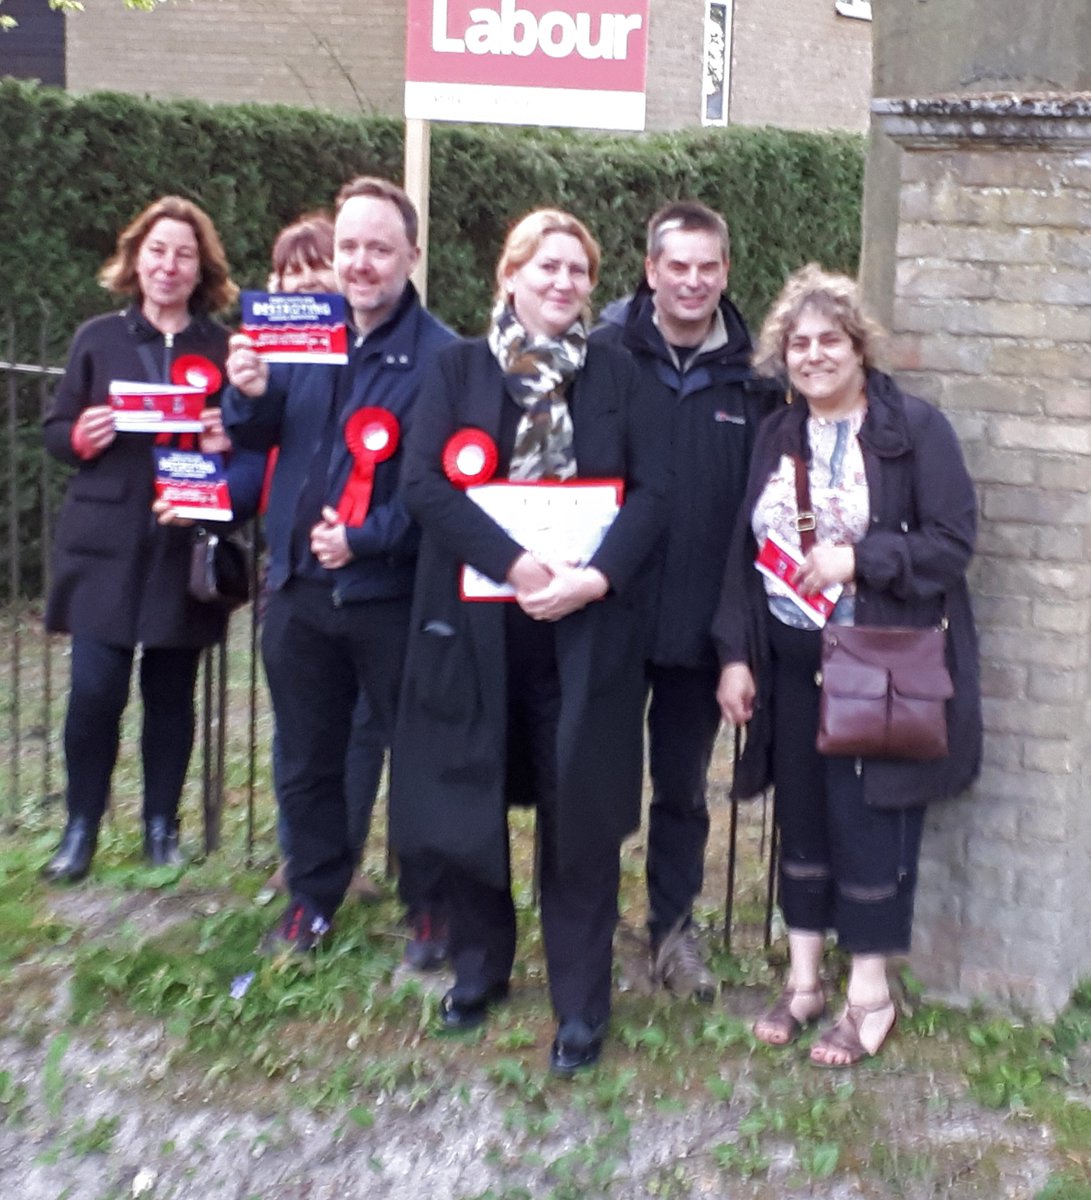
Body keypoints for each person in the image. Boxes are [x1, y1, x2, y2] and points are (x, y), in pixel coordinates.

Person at [391, 209, 668, 1074]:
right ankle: (480, 970)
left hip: (583, 635)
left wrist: (596, 578)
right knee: (467, 803)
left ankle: (580, 1006)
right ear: (510, 274)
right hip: (476, 631)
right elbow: (422, 485)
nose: (563, 283)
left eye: (579, 270)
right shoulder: (456, 370)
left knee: (577, 821)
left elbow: (655, 495)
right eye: (547, 266)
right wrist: (513, 564)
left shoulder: (619, 376)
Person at [714, 264, 981, 1066]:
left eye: (830, 340)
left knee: (868, 823)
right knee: (801, 815)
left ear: (858, 347)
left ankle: (869, 993)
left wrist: (857, 562)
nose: (814, 355)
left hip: (878, 662)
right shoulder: (776, 433)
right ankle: (802, 982)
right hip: (790, 660)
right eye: (798, 343)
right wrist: (734, 653)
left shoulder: (914, 430)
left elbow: (950, 544)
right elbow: (740, 551)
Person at [223, 176, 454, 959]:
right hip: (296, 591)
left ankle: (430, 906)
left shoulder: (443, 359)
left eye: (379, 248)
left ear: (411, 256)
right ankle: (311, 899)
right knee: (305, 757)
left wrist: (369, 538)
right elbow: (256, 435)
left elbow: (442, 492)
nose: (360, 264)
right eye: (349, 247)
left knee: (420, 760)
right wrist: (246, 393)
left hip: (392, 597)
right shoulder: (296, 337)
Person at [41, 195, 265, 883]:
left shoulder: (224, 348)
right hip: (103, 542)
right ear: (135, 258)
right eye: (157, 250)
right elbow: (55, 431)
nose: (169, 265)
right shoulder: (96, 339)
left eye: (184, 253)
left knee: (171, 697)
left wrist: (230, 434)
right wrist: (81, 437)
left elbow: (253, 439)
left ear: (203, 269)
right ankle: (80, 826)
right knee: (95, 690)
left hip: (183, 543)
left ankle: (161, 829)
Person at [593, 200, 779, 999]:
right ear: (651, 271)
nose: (693, 282)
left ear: (725, 272)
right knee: (592, 778)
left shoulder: (757, 380)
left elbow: (758, 519)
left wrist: (737, 641)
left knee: (680, 790)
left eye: (708, 267)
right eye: (678, 266)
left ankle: (672, 931)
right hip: (604, 614)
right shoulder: (602, 354)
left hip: (700, 626)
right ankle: (585, 920)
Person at [260, 212, 385, 909]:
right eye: (291, 274)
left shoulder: (374, 354)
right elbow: (252, 458)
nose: (306, 284)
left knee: (363, 728)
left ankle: (345, 855)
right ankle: (299, 858)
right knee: (300, 731)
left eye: (318, 270)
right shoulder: (276, 359)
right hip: (291, 567)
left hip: (363, 570)